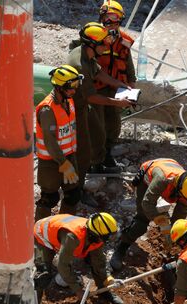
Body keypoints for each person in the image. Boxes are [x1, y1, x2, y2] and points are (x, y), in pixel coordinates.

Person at [65, 22, 134, 198]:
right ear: (93, 44)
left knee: (99, 136)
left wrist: (118, 83)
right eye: (103, 43)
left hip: (83, 106)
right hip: (77, 108)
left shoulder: (87, 54)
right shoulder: (79, 64)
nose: (107, 45)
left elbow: (98, 73)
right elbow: (91, 97)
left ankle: (94, 168)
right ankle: (76, 192)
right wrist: (117, 103)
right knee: (83, 150)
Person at [109, 158, 187, 272]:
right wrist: (160, 221)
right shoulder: (162, 180)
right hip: (148, 176)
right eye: (183, 199)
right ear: (178, 189)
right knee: (142, 220)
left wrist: (173, 233)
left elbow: (182, 211)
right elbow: (147, 203)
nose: (185, 202)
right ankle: (122, 247)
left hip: (170, 170)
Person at [33, 212, 124, 304]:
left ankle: (103, 290)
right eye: (108, 236)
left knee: (94, 260)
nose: (109, 239)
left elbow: (99, 261)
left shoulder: (97, 235)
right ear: (95, 235)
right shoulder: (73, 238)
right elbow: (63, 265)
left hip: (59, 229)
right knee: (43, 275)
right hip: (41, 234)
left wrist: (108, 279)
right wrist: (78, 290)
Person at [34, 65, 83, 221]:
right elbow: (50, 141)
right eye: (71, 86)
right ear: (60, 87)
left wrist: (69, 161)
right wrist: (63, 163)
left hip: (68, 156)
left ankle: (64, 227)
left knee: (73, 195)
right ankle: (39, 232)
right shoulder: (47, 109)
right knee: (49, 198)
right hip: (51, 161)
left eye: (76, 85)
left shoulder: (68, 101)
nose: (74, 90)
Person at [94, 0, 137, 171]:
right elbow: (93, 70)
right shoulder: (93, 38)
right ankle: (94, 162)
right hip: (95, 89)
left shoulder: (124, 41)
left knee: (113, 126)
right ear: (101, 18)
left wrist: (131, 90)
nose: (111, 23)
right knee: (96, 127)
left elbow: (129, 67)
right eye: (107, 19)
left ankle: (106, 155)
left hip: (116, 89)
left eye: (115, 19)